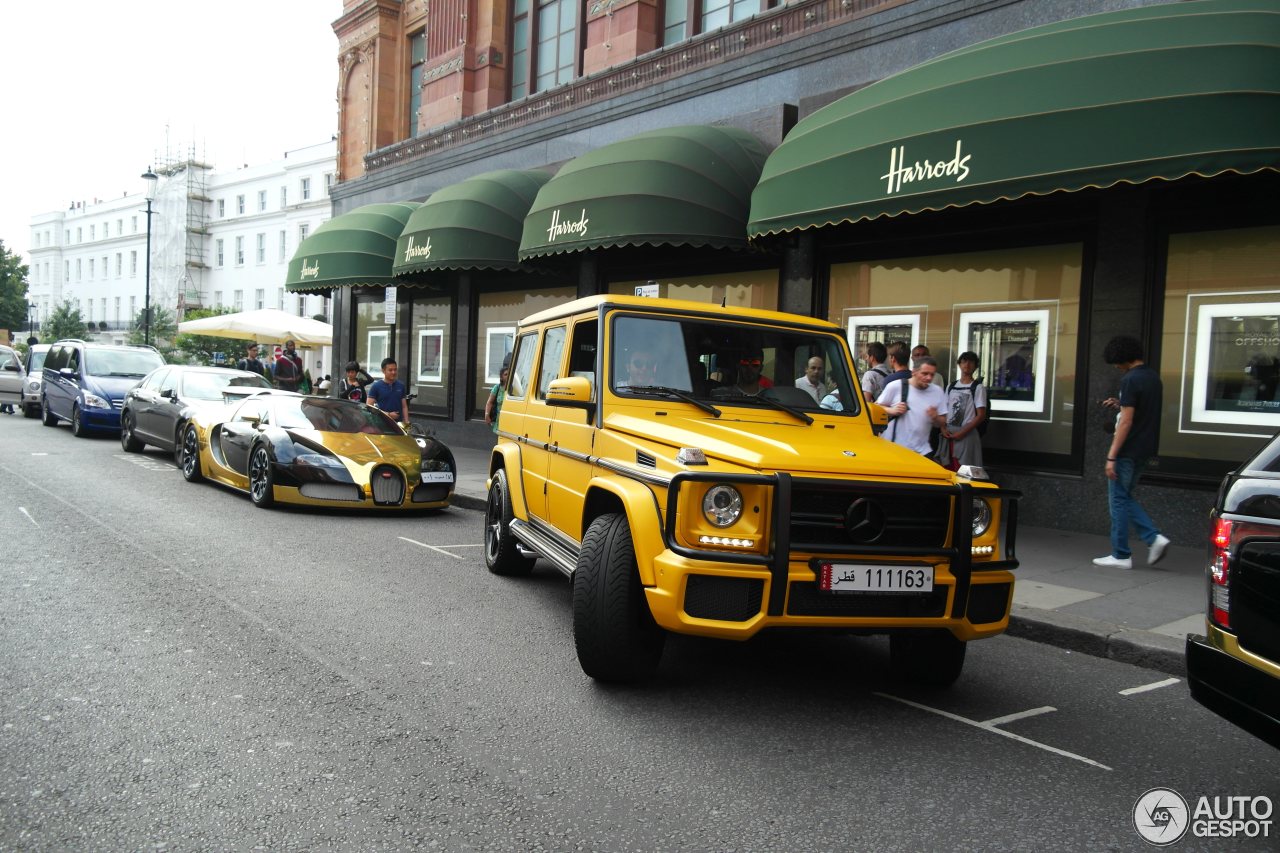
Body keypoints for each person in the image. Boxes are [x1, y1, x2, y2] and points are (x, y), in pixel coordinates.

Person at [1093, 336, 1170, 570]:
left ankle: (1124, 552)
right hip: (1145, 449)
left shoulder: (1130, 379)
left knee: (1118, 499)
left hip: (1127, 449)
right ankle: (1147, 541)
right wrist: (1121, 403)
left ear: (1121, 358)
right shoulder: (1152, 377)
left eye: (1116, 362)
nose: (1115, 366)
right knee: (1124, 497)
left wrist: (1111, 455)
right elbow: (1139, 411)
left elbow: (1126, 422)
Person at [877, 356, 947, 456]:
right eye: (925, 373)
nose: (929, 378)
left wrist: (935, 417)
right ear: (913, 372)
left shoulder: (937, 391)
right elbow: (874, 407)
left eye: (932, 375)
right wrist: (892, 410)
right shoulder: (896, 386)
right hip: (894, 449)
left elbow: (942, 422)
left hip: (922, 452)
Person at [940, 351, 988, 467]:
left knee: (965, 469)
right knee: (949, 467)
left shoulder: (978, 387)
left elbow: (981, 415)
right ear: (959, 364)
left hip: (967, 434)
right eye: (964, 361)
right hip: (949, 433)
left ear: (976, 366)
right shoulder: (951, 386)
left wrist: (963, 432)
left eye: (971, 362)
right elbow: (944, 409)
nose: (967, 364)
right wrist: (942, 427)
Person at [367, 357, 410, 423]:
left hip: (398, 425)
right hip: (382, 424)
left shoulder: (401, 386)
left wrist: (407, 422)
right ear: (383, 371)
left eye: (395, 370)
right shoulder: (376, 386)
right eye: (390, 370)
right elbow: (369, 407)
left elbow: (404, 406)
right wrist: (388, 414)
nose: (393, 372)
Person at [485, 356, 512, 432]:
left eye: (510, 374)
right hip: (499, 420)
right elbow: (489, 402)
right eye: (506, 374)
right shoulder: (497, 388)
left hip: (511, 419)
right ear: (501, 377)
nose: (508, 376)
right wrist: (487, 415)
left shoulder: (514, 388)